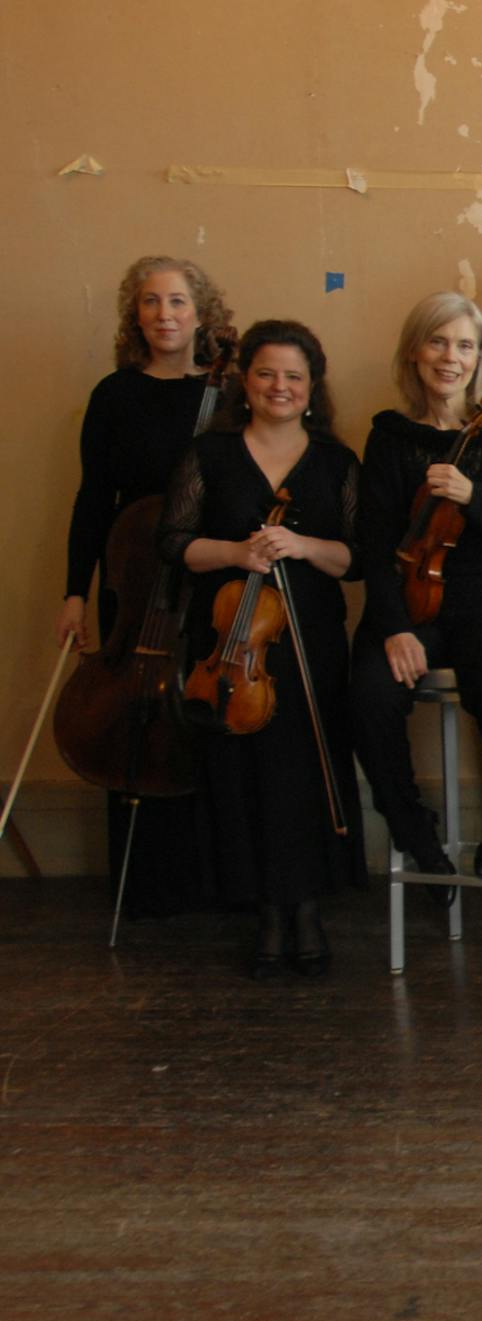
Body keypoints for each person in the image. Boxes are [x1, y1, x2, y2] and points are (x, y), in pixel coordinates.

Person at [156, 320, 360, 975]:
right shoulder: (210, 455)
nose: (280, 386)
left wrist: (301, 545)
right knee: (243, 773)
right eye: (267, 373)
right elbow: (174, 542)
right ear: (245, 381)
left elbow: (355, 558)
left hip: (309, 641)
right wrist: (237, 552)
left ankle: (306, 906)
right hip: (232, 642)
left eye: (293, 376)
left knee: (301, 773)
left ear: (311, 387)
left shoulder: (336, 462)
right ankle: (267, 912)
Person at [350, 293, 482, 897]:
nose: (451, 357)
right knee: (368, 694)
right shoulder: (390, 437)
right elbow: (375, 545)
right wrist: (394, 628)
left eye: (465, 345)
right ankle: (414, 830)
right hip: (413, 607)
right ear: (414, 353)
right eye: (438, 342)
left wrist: (474, 497)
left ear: (479, 357)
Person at [59, 256, 236, 917]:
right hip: (133, 578)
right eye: (151, 302)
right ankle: (140, 884)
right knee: (132, 713)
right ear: (134, 315)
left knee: (200, 712)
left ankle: (212, 878)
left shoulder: (227, 393)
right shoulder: (115, 394)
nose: (165, 314)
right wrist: (75, 593)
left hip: (205, 578)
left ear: (201, 312)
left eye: (178, 301)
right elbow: (92, 499)